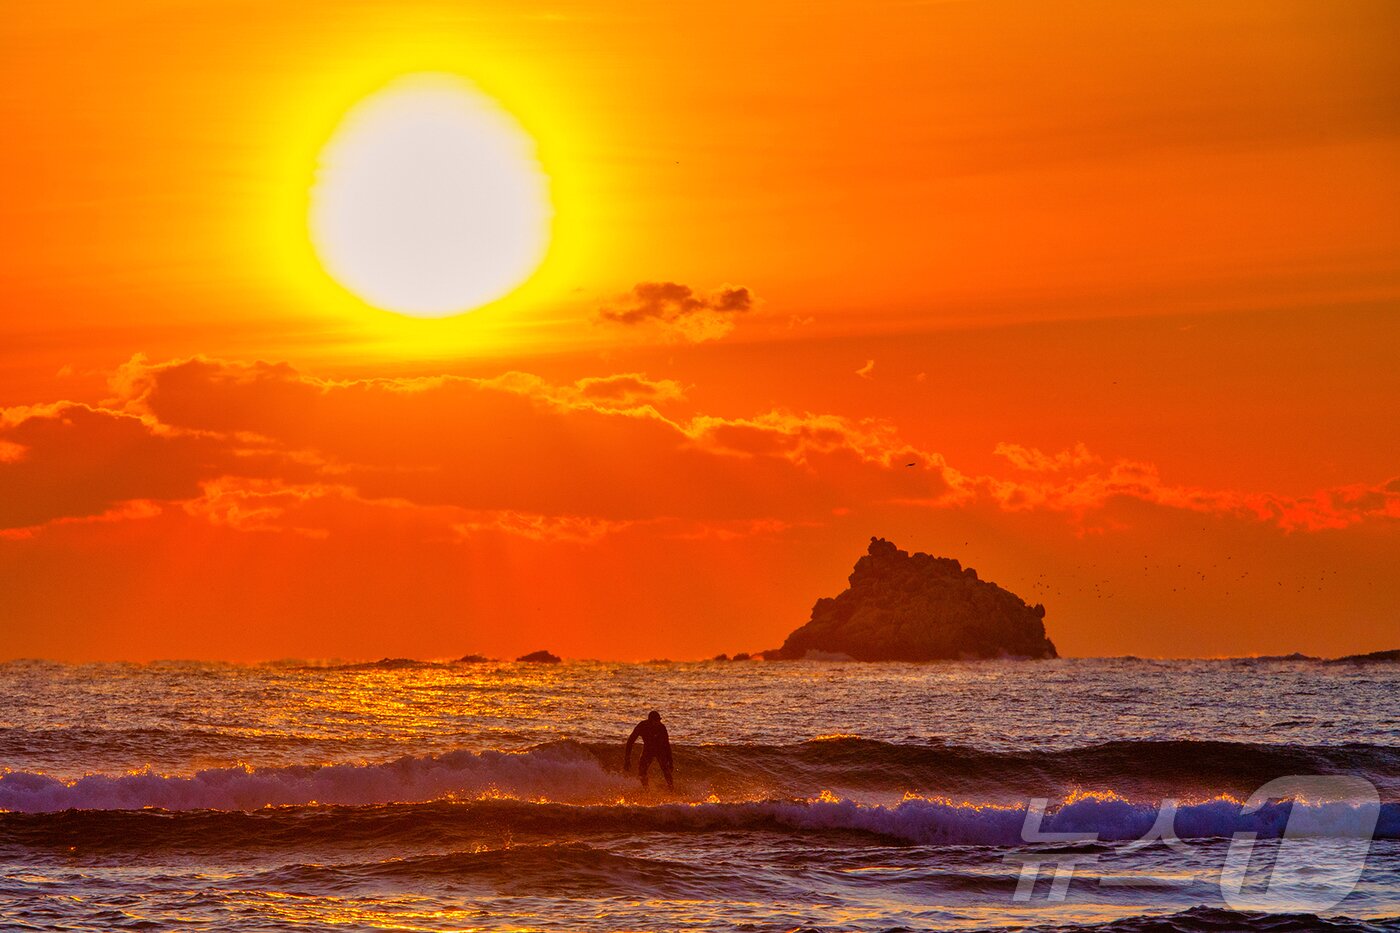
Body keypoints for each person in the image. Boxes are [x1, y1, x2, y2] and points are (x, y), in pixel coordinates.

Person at [623, 709, 674, 790]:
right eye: (656, 721)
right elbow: (630, 741)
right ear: (650, 721)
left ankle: (671, 789)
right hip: (648, 750)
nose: (658, 722)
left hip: (660, 750)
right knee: (641, 770)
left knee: (666, 770)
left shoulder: (661, 727)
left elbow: (666, 745)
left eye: (659, 720)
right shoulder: (642, 726)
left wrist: (670, 761)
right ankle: (646, 789)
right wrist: (627, 759)